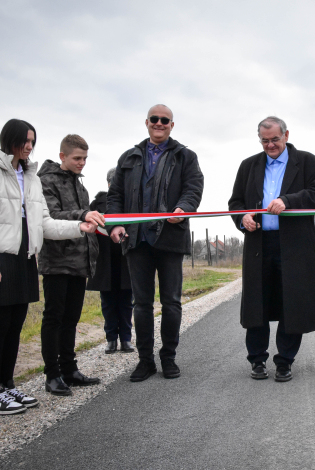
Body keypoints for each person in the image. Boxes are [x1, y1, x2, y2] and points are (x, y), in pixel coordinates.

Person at [0, 119, 97, 415]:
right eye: (24, 140)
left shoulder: (30, 177)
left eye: (32, 141)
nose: (28, 146)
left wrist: (80, 227)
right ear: (8, 139)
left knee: (14, 327)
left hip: (24, 260)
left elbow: (45, 224)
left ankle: (8, 385)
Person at [107, 104, 204, 382]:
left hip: (170, 238)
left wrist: (183, 208)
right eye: (154, 119)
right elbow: (115, 196)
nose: (159, 123)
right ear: (146, 122)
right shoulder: (129, 157)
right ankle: (145, 361)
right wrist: (115, 224)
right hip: (137, 240)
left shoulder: (186, 156)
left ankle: (168, 358)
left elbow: (194, 186)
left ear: (172, 125)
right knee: (141, 304)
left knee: (172, 302)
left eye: (165, 120)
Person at [228, 116, 315, 382]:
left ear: (286, 135)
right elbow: (235, 202)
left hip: (295, 245)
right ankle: (257, 360)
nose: (270, 145)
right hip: (259, 244)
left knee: (291, 304)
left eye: (275, 139)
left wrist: (287, 200)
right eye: (265, 140)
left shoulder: (310, 163)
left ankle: (285, 361)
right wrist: (242, 218)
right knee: (257, 304)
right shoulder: (248, 166)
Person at [38, 134, 105, 396]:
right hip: (56, 260)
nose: (82, 163)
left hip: (80, 261)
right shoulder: (45, 182)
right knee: (53, 318)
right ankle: (52, 375)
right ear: (62, 156)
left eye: (85, 159)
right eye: (77, 158)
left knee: (71, 319)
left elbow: (86, 221)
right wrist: (82, 214)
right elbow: (51, 216)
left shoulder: (81, 186)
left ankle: (69, 369)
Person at [87, 167, 134, 354]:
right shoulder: (97, 204)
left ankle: (126, 339)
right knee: (107, 303)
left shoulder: (131, 204)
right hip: (105, 262)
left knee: (126, 302)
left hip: (126, 261)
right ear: (108, 184)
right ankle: (111, 339)